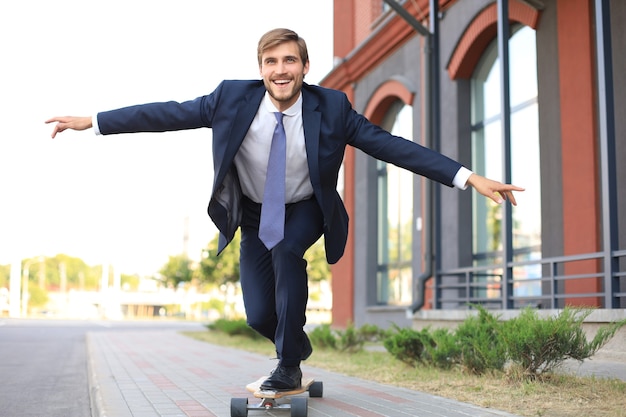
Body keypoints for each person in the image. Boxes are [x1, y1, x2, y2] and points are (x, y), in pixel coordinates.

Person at [47, 28, 524, 391]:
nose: (281, 69)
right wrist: (95, 122)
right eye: (271, 61)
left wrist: (467, 177)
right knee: (258, 314)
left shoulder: (333, 108)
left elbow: (392, 145)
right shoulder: (230, 99)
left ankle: (288, 366)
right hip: (254, 212)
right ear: (261, 68)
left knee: (288, 251)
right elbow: (167, 113)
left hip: (306, 209)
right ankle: (292, 342)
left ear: (304, 67)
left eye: (289, 61)